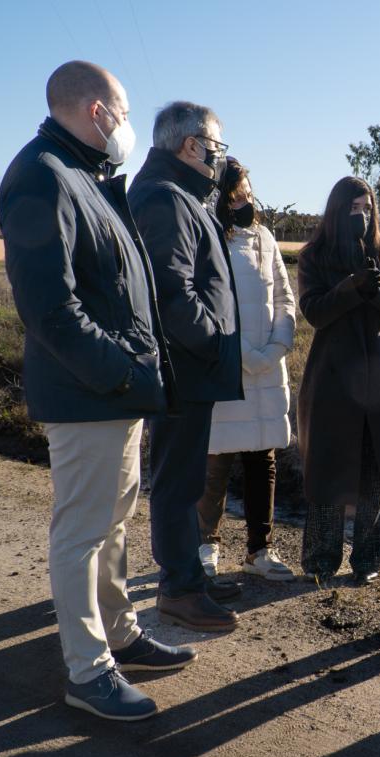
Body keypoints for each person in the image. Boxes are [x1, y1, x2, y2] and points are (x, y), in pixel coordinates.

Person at [0, 61, 196, 721]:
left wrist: (136, 374)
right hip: (90, 394)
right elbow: (50, 309)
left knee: (111, 524)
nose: (128, 124)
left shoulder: (87, 176)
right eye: (124, 109)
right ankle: (88, 671)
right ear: (95, 111)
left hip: (120, 391)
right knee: (81, 533)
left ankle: (121, 635)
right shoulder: (42, 176)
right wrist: (120, 371)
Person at [129, 101, 245, 631]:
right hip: (182, 370)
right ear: (191, 146)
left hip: (189, 369)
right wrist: (213, 341)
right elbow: (171, 293)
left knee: (186, 479)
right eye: (216, 148)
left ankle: (187, 577)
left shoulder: (180, 196)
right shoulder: (165, 198)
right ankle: (179, 587)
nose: (220, 159)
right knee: (177, 483)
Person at [296, 176, 380, 586]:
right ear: (337, 211)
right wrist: (351, 287)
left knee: (377, 474)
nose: (362, 215)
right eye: (354, 209)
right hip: (333, 379)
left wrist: (379, 284)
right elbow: (314, 312)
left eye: (367, 207)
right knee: (328, 473)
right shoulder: (315, 254)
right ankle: (321, 558)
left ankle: (368, 559)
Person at [195, 157, 297, 581]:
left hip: (267, 369)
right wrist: (238, 352)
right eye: (236, 194)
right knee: (215, 459)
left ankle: (260, 550)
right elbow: (201, 299)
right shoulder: (204, 233)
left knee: (263, 459)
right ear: (219, 195)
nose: (245, 201)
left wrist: (276, 347)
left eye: (248, 194)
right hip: (223, 364)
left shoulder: (265, 238)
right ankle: (205, 545)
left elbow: (285, 299)